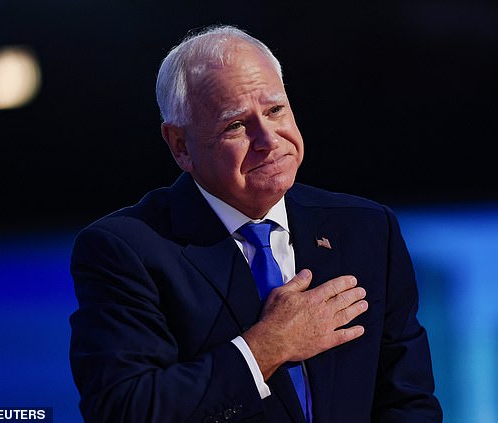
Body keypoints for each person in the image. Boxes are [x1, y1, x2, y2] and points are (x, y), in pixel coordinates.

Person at [69, 24, 442, 423]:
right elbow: (125, 410)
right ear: (180, 145)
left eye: (275, 110)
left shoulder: (367, 229)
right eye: (236, 125)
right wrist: (265, 348)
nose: (269, 138)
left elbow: (408, 402)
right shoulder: (126, 250)